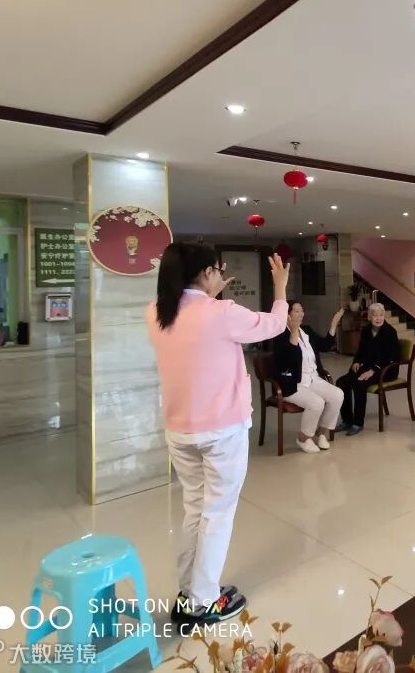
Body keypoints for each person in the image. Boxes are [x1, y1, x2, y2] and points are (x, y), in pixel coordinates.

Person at [146, 244, 289, 625]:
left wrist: (208, 294)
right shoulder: (222, 313)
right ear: (207, 273)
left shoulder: (156, 312)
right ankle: (204, 601)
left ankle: (190, 591)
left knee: (195, 508)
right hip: (222, 430)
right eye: (216, 270)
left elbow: (196, 327)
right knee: (217, 514)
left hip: (180, 430)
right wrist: (280, 286)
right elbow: (275, 324)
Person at [272, 302, 345, 453]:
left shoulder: (307, 331)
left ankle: (320, 433)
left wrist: (333, 325)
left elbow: (325, 346)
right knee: (317, 403)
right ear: (287, 315)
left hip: (313, 379)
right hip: (292, 383)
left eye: (302, 311)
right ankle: (303, 438)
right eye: (297, 311)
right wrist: (293, 332)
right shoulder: (279, 335)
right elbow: (288, 360)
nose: (301, 314)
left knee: (338, 394)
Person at [336, 303, 400, 435]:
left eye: (381, 315)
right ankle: (347, 420)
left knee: (359, 384)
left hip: (386, 370)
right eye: (375, 315)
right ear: (369, 317)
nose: (378, 318)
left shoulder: (390, 332)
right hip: (368, 366)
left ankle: (358, 423)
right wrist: (357, 361)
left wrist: (372, 371)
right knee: (342, 382)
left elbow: (391, 357)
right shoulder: (366, 330)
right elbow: (361, 350)